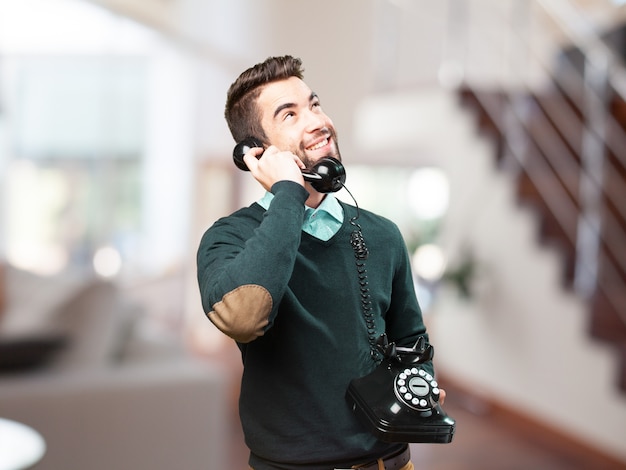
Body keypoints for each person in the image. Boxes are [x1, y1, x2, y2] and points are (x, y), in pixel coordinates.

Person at [196, 55, 445, 470]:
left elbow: (410, 336)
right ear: (254, 153)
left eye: (314, 105)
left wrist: (421, 380)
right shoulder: (228, 238)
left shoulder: (383, 234)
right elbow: (242, 316)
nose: (317, 121)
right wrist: (288, 193)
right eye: (290, 115)